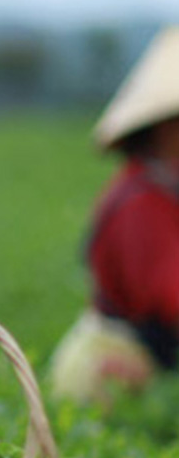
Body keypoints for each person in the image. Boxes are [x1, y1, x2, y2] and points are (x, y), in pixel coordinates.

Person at [50, 26, 179, 406]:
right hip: (113, 371)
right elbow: (170, 297)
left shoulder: (165, 191)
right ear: (165, 127)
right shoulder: (140, 202)